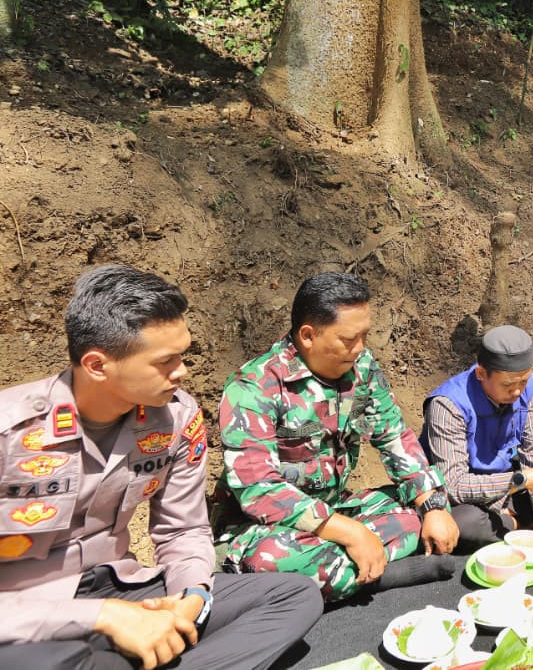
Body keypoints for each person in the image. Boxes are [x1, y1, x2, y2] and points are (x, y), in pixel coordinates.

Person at [0, 265, 322, 670]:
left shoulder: (176, 419)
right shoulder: (10, 432)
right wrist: (102, 618)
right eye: (165, 361)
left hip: (122, 590)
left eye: (182, 356)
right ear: (98, 365)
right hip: (26, 619)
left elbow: (183, 529)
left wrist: (191, 595)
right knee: (52, 661)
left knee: (293, 596)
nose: (182, 372)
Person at [215, 272, 458, 602]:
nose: (360, 348)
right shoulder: (254, 387)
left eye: (365, 336)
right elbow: (259, 490)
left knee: (417, 516)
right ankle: (380, 572)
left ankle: (348, 571)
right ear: (308, 336)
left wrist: (432, 506)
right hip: (267, 529)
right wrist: (350, 532)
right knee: (269, 560)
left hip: (337, 509)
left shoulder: (363, 368)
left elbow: (393, 436)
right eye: (348, 339)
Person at [421, 325, 533, 551]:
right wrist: (522, 480)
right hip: (469, 492)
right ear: (481, 374)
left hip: (507, 478)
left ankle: (507, 517)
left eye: (523, 382)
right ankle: (520, 523)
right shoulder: (448, 405)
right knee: (465, 523)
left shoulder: (528, 387)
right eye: (508, 385)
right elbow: (453, 485)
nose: (518, 391)